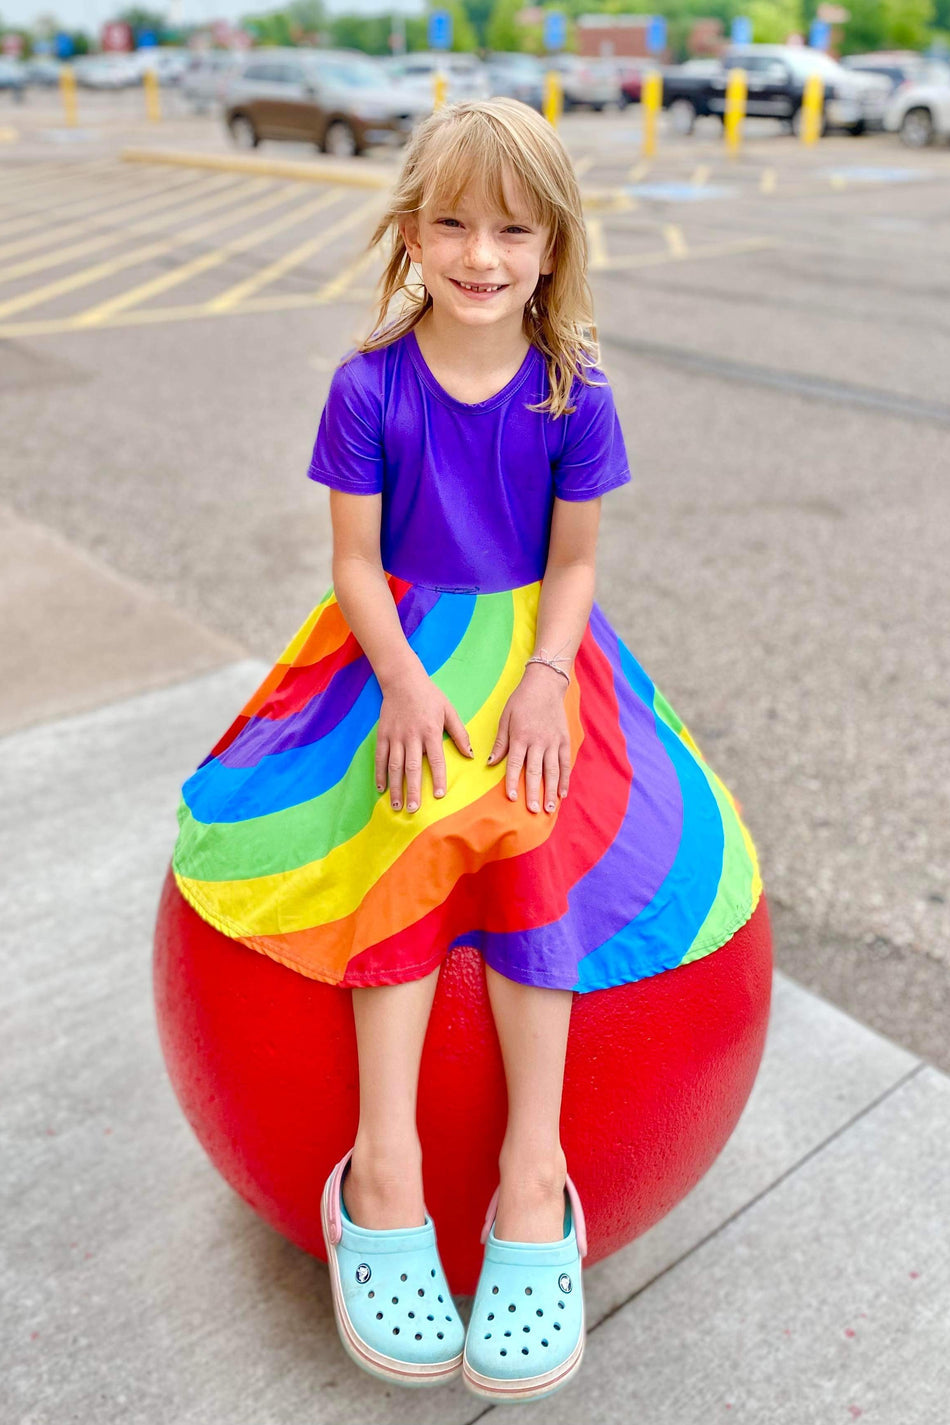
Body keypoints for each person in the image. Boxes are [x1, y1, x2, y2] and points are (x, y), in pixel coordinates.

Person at [172, 97, 761, 1402]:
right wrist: (399, 684)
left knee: (540, 839)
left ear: (551, 247)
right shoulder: (367, 385)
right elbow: (353, 561)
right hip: (397, 646)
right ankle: (377, 1171)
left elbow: (574, 560)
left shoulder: (572, 390)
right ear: (409, 236)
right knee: (402, 825)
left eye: (511, 228)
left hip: (538, 658)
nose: (480, 253)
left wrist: (546, 677)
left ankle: (531, 1183)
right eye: (452, 222)